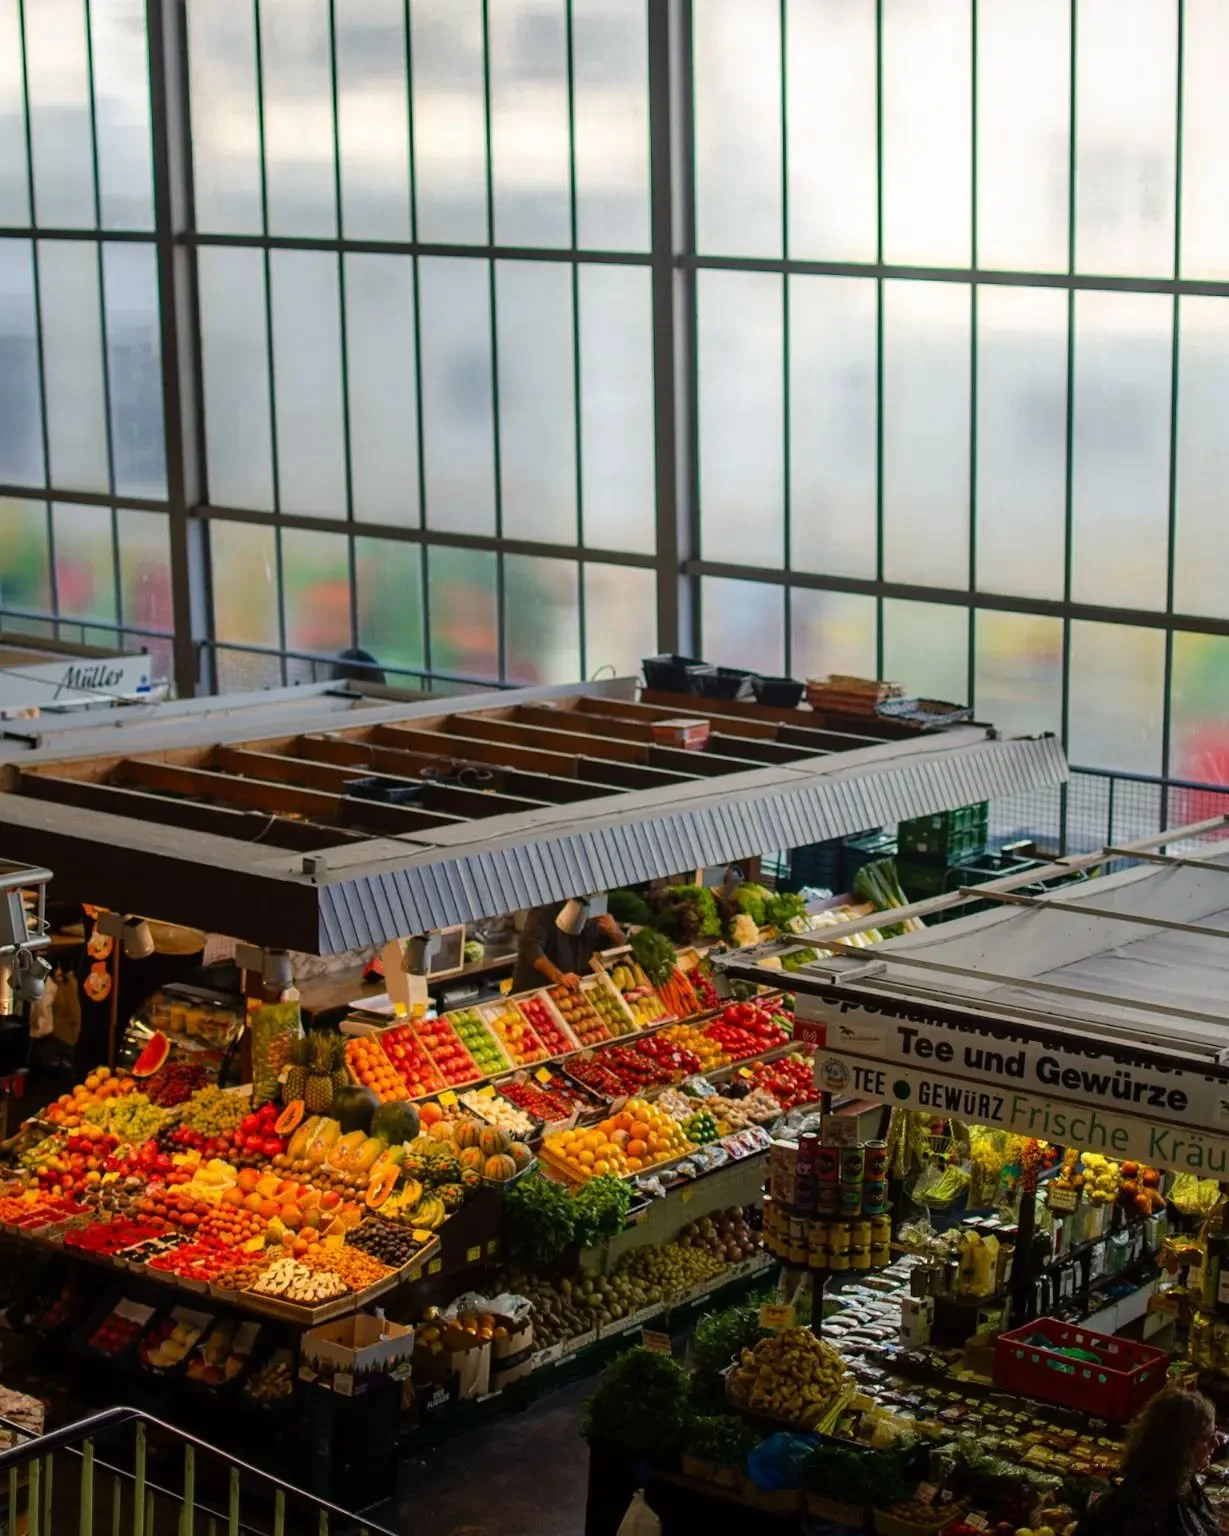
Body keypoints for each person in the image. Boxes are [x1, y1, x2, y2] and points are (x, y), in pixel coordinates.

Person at [1075, 1387, 1219, 1536]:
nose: (1216, 1442)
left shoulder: (1184, 1485)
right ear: (1180, 1447)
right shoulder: (1140, 1513)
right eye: (1206, 1437)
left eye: (1215, 1433)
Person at [511, 901, 626, 994]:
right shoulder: (545, 908)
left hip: (575, 994)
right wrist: (558, 976)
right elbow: (531, 948)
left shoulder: (597, 903)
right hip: (536, 993)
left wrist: (615, 932)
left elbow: (612, 951)